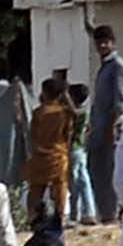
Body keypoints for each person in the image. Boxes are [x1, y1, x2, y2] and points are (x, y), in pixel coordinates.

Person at [28, 73, 78, 228]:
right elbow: (68, 134)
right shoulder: (64, 113)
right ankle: (60, 218)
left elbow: (32, 134)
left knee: (36, 188)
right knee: (60, 187)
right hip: (58, 154)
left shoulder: (38, 112)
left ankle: (32, 218)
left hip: (39, 154)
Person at [94, 27, 123, 223]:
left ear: (113, 42)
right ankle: (106, 212)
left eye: (106, 42)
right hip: (99, 126)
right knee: (100, 170)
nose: (102, 46)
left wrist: (112, 126)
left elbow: (118, 99)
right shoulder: (104, 66)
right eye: (99, 42)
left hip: (110, 126)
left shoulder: (117, 65)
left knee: (112, 170)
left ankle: (113, 212)